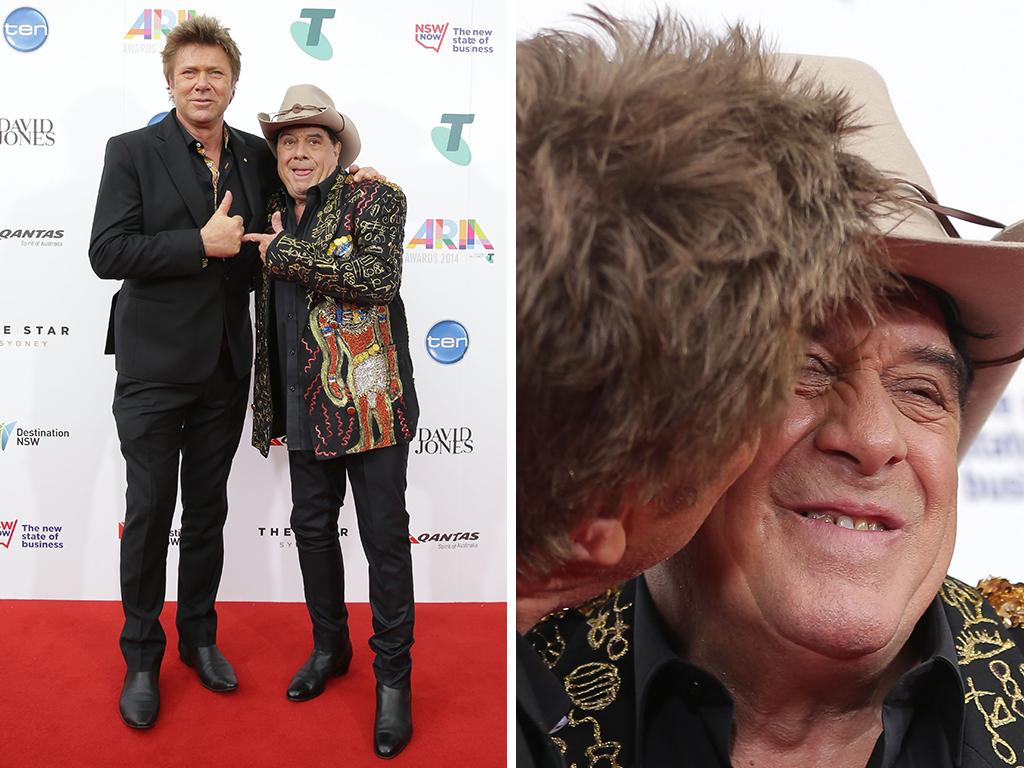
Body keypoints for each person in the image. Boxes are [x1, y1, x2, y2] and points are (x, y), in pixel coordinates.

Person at [528, 54, 1024, 768]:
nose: (873, 438)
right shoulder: (508, 692)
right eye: (801, 371)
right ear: (656, 419)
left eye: (922, 391)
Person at [89, 14, 277, 730]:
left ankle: (199, 636)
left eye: (216, 73)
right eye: (190, 72)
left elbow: (290, 218)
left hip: (226, 365)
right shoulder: (132, 150)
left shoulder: (256, 156)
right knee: (147, 516)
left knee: (208, 512)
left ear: (232, 84)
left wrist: (359, 181)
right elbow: (108, 251)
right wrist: (198, 245)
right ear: (170, 82)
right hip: (152, 368)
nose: (203, 83)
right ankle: (141, 655)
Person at [243, 84, 417, 760]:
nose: (299, 151)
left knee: (384, 543)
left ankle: (393, 681)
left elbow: (377, 277)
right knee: (312, 530)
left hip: (371, 405)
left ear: (338, 149)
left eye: (314, 139)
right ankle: (329, 646)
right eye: (288, 141)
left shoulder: (378, 197)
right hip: (302, 405)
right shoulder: (269, 209)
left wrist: (284, 254)